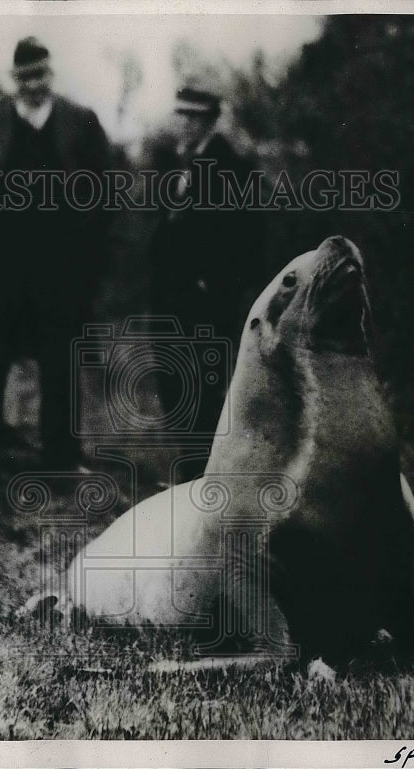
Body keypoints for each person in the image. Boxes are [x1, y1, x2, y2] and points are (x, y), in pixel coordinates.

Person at [0, 36, 112, 472]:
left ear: (51, 74)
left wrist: (88, 253)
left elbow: (108, 191)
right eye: (24, 77)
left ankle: (61, 456)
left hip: (60, 266)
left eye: (40, 75)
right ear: (13, 79)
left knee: (60, 362)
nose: (33, 85)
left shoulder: (80, 120)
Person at [148, 85, 265, 483]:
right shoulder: (181, 162)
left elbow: (244, 237)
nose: (184, 123)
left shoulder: (229, 166)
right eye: (180, 115)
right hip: (171, 294)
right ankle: (192, 470)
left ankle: (203, 477)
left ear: (210, 121)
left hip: (203, 297)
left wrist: (215, 284)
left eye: (193, 117)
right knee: (175, 380)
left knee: (201, 383)